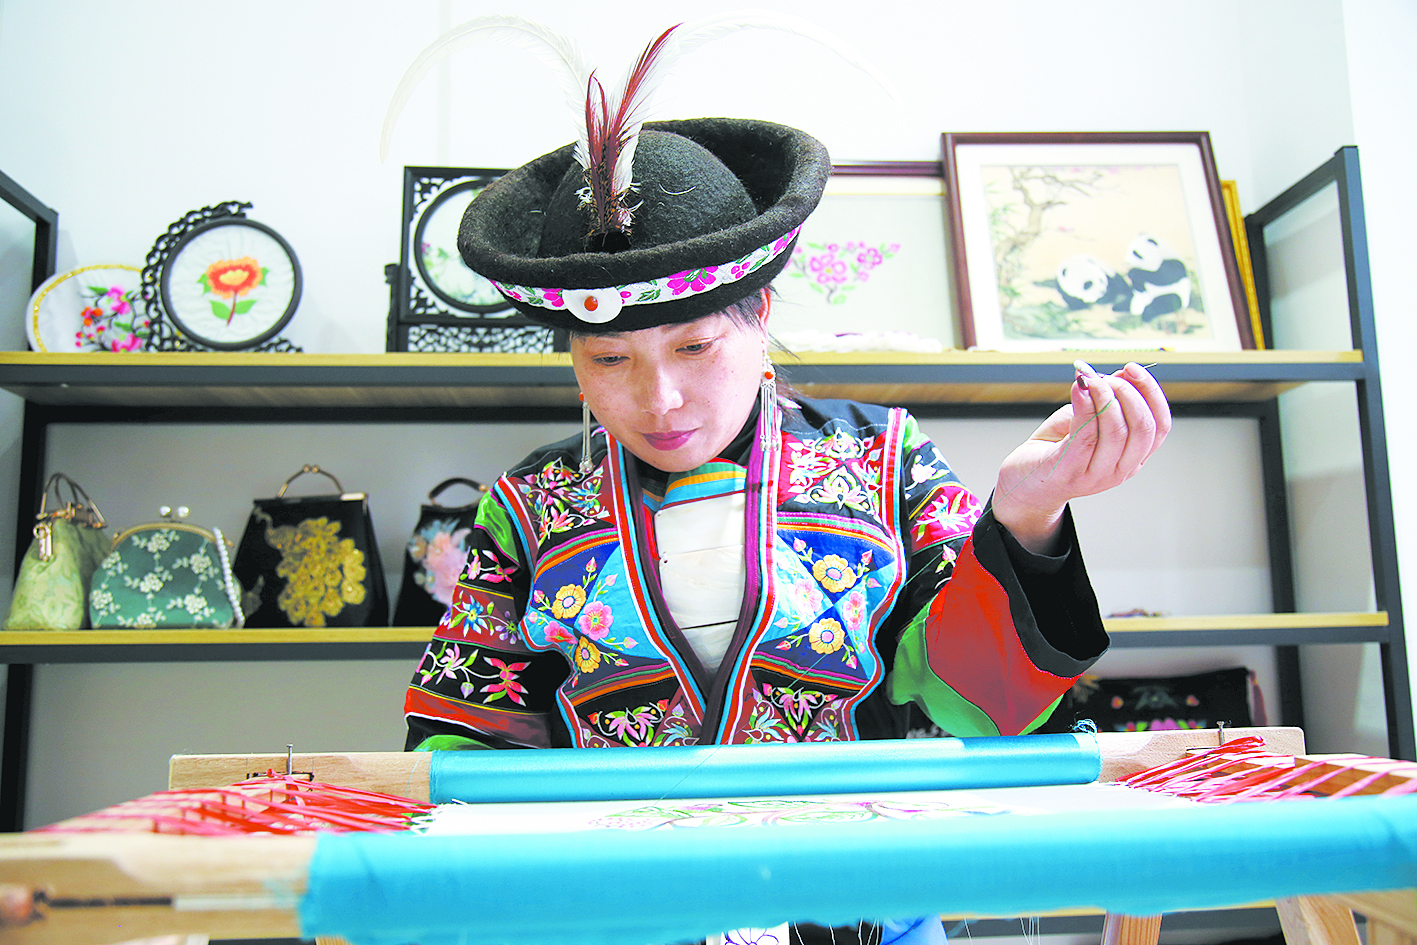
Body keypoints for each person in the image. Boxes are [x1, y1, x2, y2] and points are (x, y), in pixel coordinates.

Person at [400, 42, 1169, 945]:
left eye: (694, 347)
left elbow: (975, 697)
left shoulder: (881, 458)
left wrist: (1025, 515)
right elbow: (468, 745)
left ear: (759, 317)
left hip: (862, 913)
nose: (658, 398)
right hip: (618, 918)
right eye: (608, 359)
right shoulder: (532, 502)